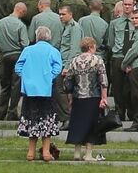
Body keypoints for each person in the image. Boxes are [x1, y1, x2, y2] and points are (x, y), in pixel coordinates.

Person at [16, 25, 64, 162]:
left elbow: (18, 66)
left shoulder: (27, 50)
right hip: (46, 90)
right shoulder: (53, 51)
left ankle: (30, 153)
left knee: (31, 120)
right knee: (47, 121)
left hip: (30, 90)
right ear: (49, 37)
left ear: (36, 37)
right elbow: (58, 67)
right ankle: (46, 152)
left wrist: (26, 76)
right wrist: (50, 77)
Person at [63, 35, 110, 163]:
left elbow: (68, 82)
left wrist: (70, 98)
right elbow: (103, 81)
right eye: (94, 46)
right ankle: (88, 154)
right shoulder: (97, 60)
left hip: (78, 97)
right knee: (92, 125)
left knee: (77, 124)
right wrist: (104, 98)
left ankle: (77, 152)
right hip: (93, 97)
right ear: (91, 47)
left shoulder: (74, 61)